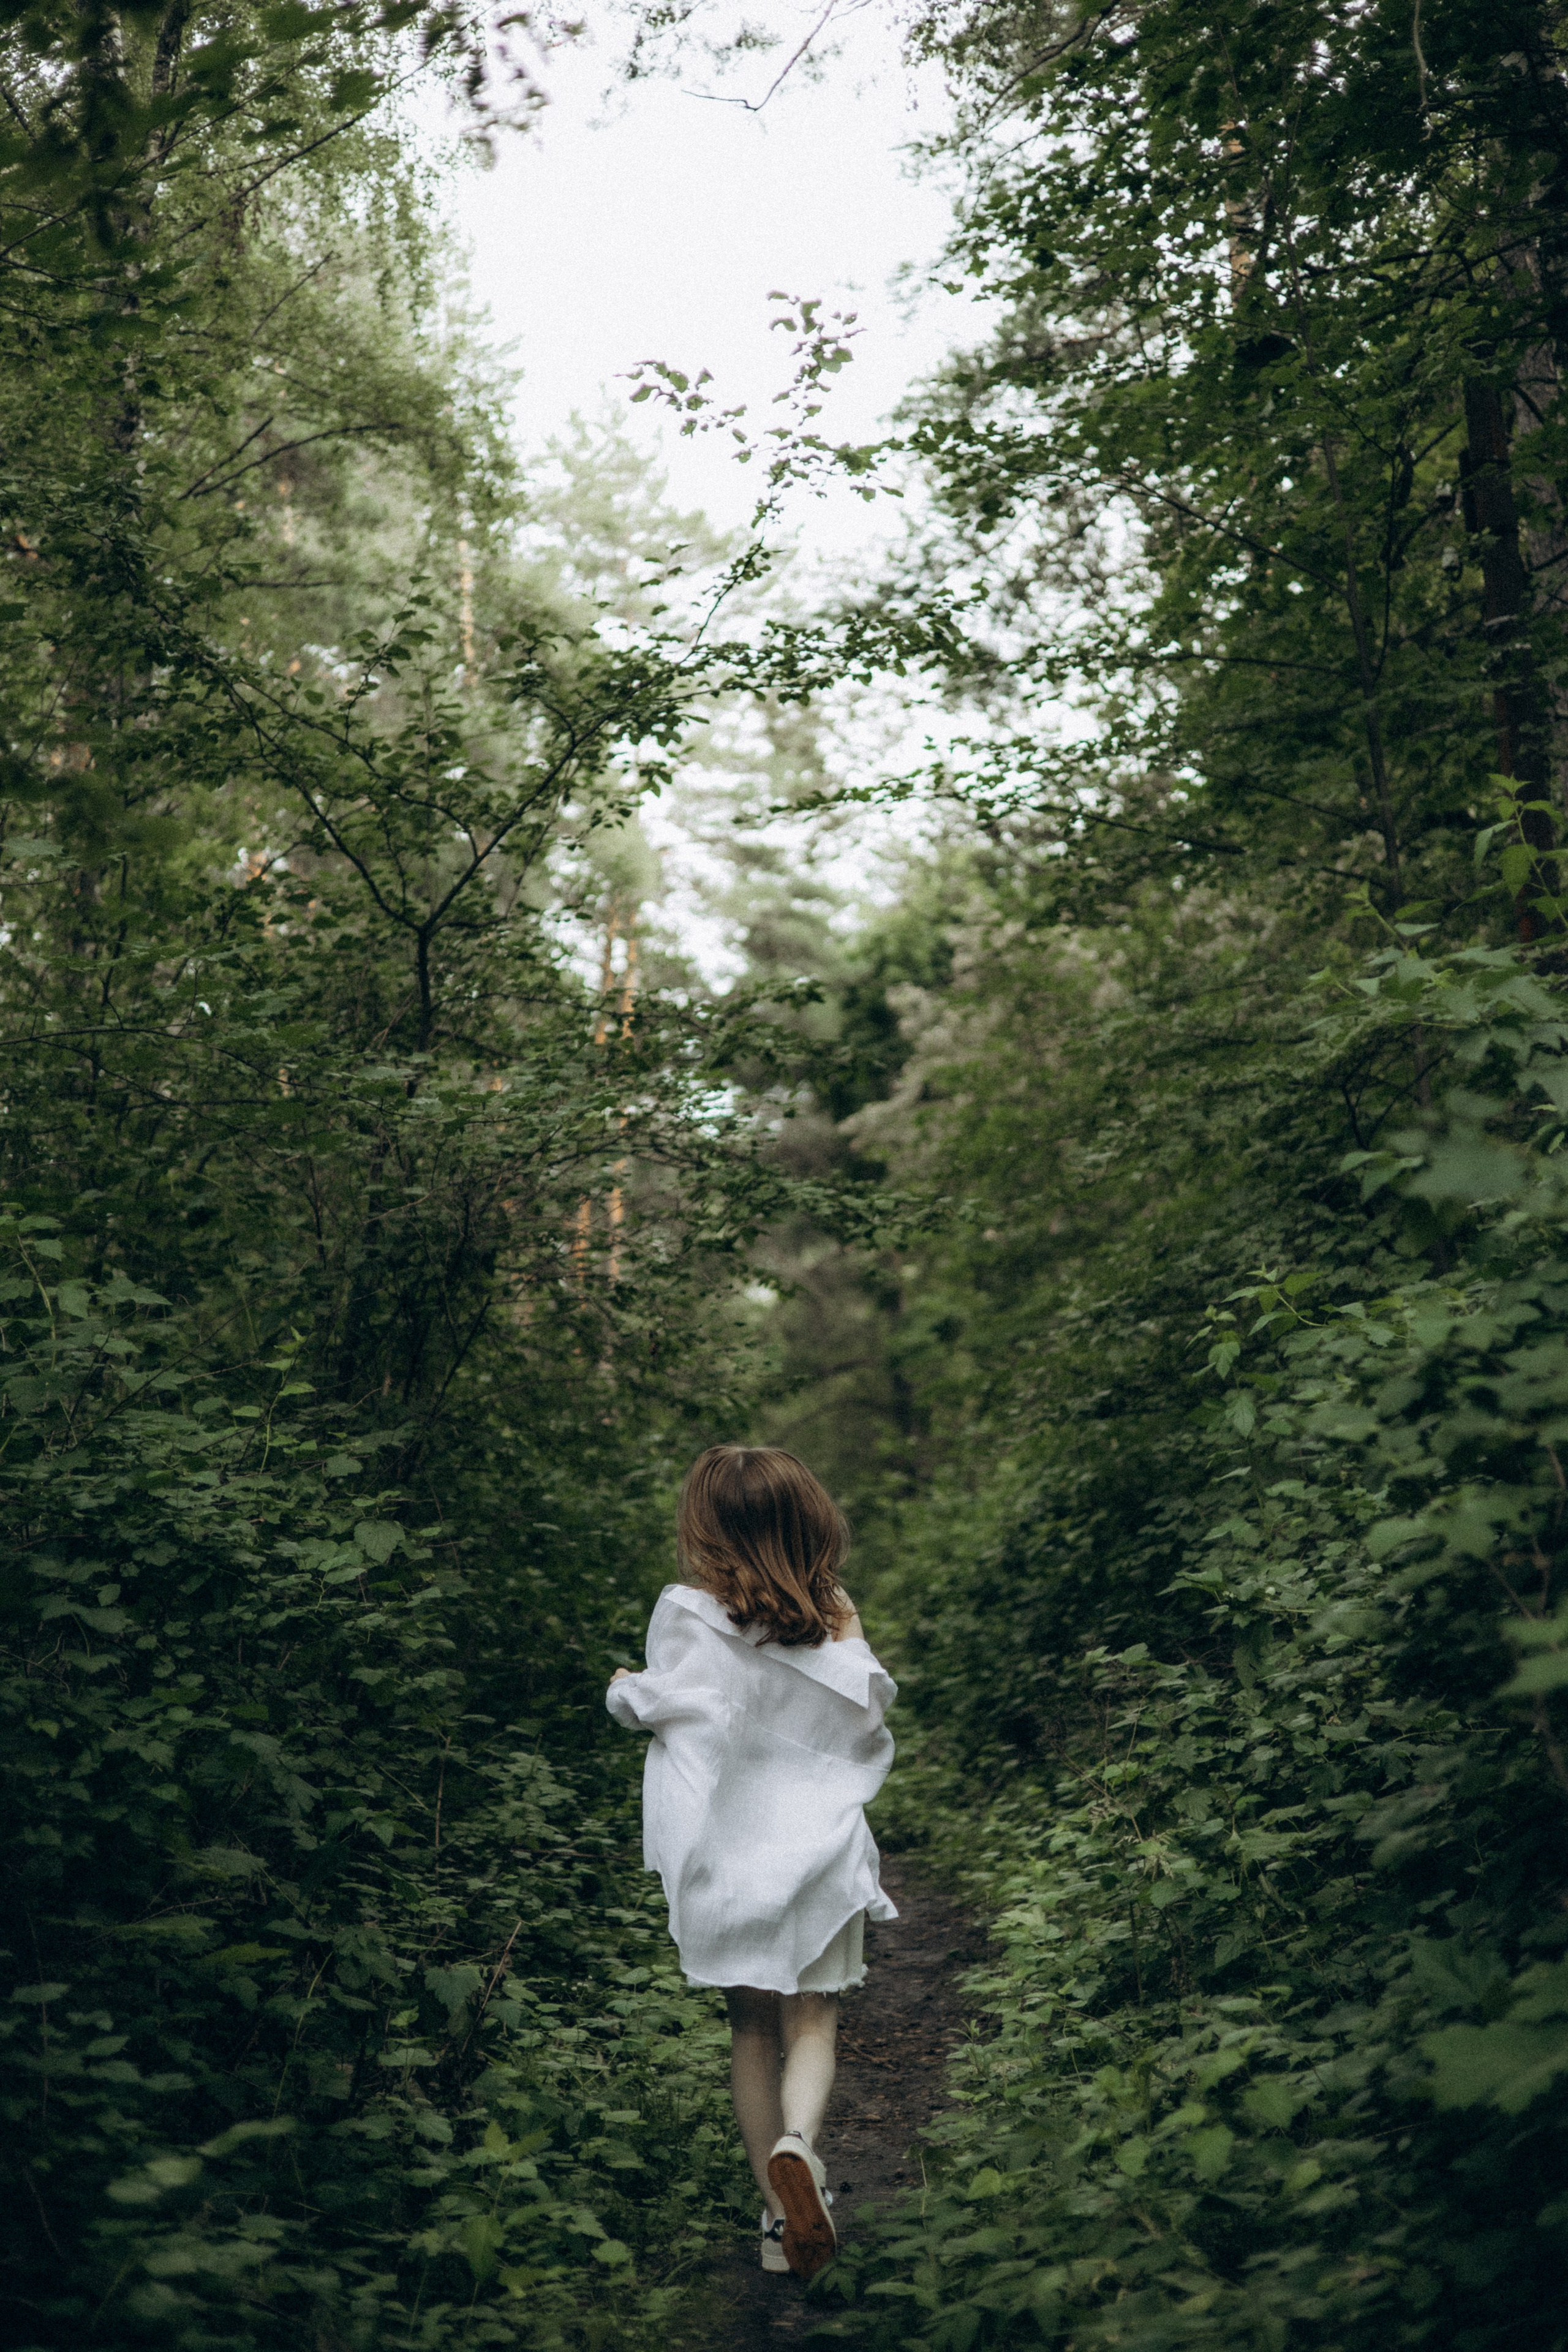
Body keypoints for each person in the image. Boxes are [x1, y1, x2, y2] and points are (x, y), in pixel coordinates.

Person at [606, 1443, 897, 2281]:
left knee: (751, 2029)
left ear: (708, 1527)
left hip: (730, 1854)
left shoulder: (690, 1610)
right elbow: (860, 1721)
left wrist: (624, 1688)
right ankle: (799, 2147)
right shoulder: (835, 1613)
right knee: (814, 2020)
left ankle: (777, 2224)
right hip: (822, 1851)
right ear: (809, 1520)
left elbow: (674, 1705)